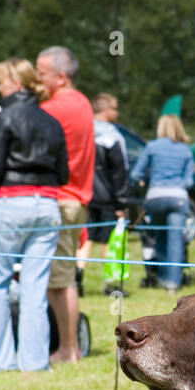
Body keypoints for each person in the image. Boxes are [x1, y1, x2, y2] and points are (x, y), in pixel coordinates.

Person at [0, 58, 67, 371]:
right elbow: (63, 174)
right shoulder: (53, 122)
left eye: (2, 82)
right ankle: (34, 363)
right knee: (35, 286)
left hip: (10, 203)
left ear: (16, 84)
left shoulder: (5, 117)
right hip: (47, 205)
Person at [36, 46, 94, 364]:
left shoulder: (55, 107)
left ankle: (68, 349)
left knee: (60, 281)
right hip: (76, 198)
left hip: (60, 198)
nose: (37, 79)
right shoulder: (83, 102)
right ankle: (70, 346)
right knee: (64, 277)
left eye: (41, 73)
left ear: (60, 76)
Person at [130, 113, 195, 294]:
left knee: (159, 237)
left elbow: (136, 174)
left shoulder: (152, 146)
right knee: (175, 240)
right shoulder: (185, 150)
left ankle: (160, 278)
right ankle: (173, 284)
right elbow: (190, 182)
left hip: (155, 198)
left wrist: (144, 181)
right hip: (178, 198)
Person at [78, 93, 128, 289]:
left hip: (84, 195)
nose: (117, 112)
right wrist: (122, 202)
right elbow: (119, 171)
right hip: (107, 197)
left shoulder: (82, 130)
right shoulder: (112, 136)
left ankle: (78, 276)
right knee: (110, 240)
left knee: (85, 237)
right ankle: (111, 283)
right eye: (115, 108)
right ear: (106, 110)